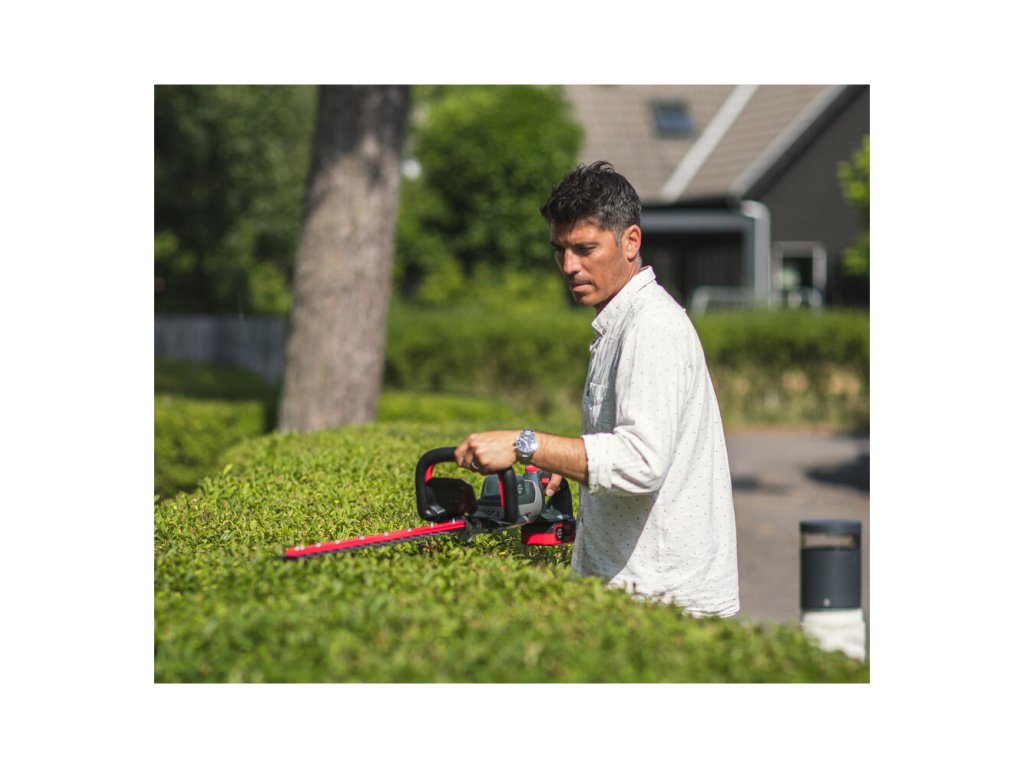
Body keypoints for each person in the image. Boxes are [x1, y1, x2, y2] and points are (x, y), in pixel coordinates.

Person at [454, 161, 739, 618]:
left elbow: (641, 463)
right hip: (638, 596)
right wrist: (561, 463)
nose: (569, 266)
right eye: (560, 250)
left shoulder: (651, 327)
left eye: (585, 249)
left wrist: (524, 444)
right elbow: (627, 448)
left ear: (631, 241)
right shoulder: (622, 321)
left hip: (663, 607)